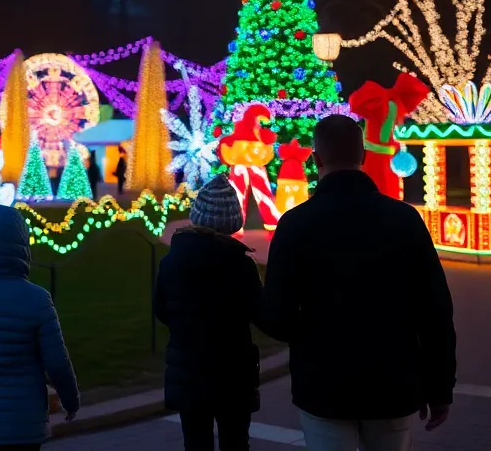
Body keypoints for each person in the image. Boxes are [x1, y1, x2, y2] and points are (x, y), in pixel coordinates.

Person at [260, 114, 456, 451]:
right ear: (363, 156)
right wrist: (439, 388)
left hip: (324, 383)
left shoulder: (295, 224)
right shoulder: (404, 219)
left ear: (316, 158)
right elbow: (435, 310)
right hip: (392, 380)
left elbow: (279, 318)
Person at [0, 205, 80, 450]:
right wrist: (70, 401)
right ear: (23, 245)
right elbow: (57, 362)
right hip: (24, 422)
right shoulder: (38, 299)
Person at [156, 176, 262, 450]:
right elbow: (259, 312)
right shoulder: (241, 266)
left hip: (188, 369)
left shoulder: (171, 263)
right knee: (236, 441)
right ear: (231, 221)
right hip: (233, 372)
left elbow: (161, 310)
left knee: (195, 441)